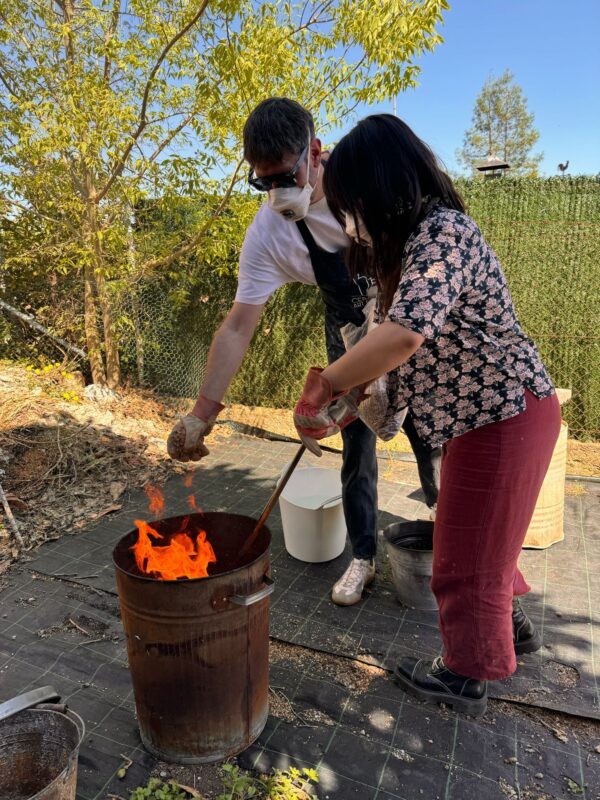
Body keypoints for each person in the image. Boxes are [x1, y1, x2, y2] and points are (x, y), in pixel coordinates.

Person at [293, 113, 560, 715]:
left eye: (349, 205)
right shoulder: (408, 255)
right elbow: (394, 380)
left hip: (506, 413)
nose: (346, 222)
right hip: (486, 419)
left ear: (379, 188)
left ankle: (467, 674)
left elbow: (404, 336)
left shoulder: (444, 235)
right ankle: (508, 626)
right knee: (484, 542)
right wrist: (348, 409)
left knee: (462, 560)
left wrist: (325, 382)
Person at [167, 98, 441, 605]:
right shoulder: (268, 233)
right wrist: (202, 414)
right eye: (264, 182)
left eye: (286, 176)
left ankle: (453, 544)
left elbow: (421, 271)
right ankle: (363, 558)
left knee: (432, 434)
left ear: (315, 152)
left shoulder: (365, 183)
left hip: (409, 317)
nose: (278, 192)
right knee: (356, 447)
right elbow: (237, 326)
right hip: (349, 331)